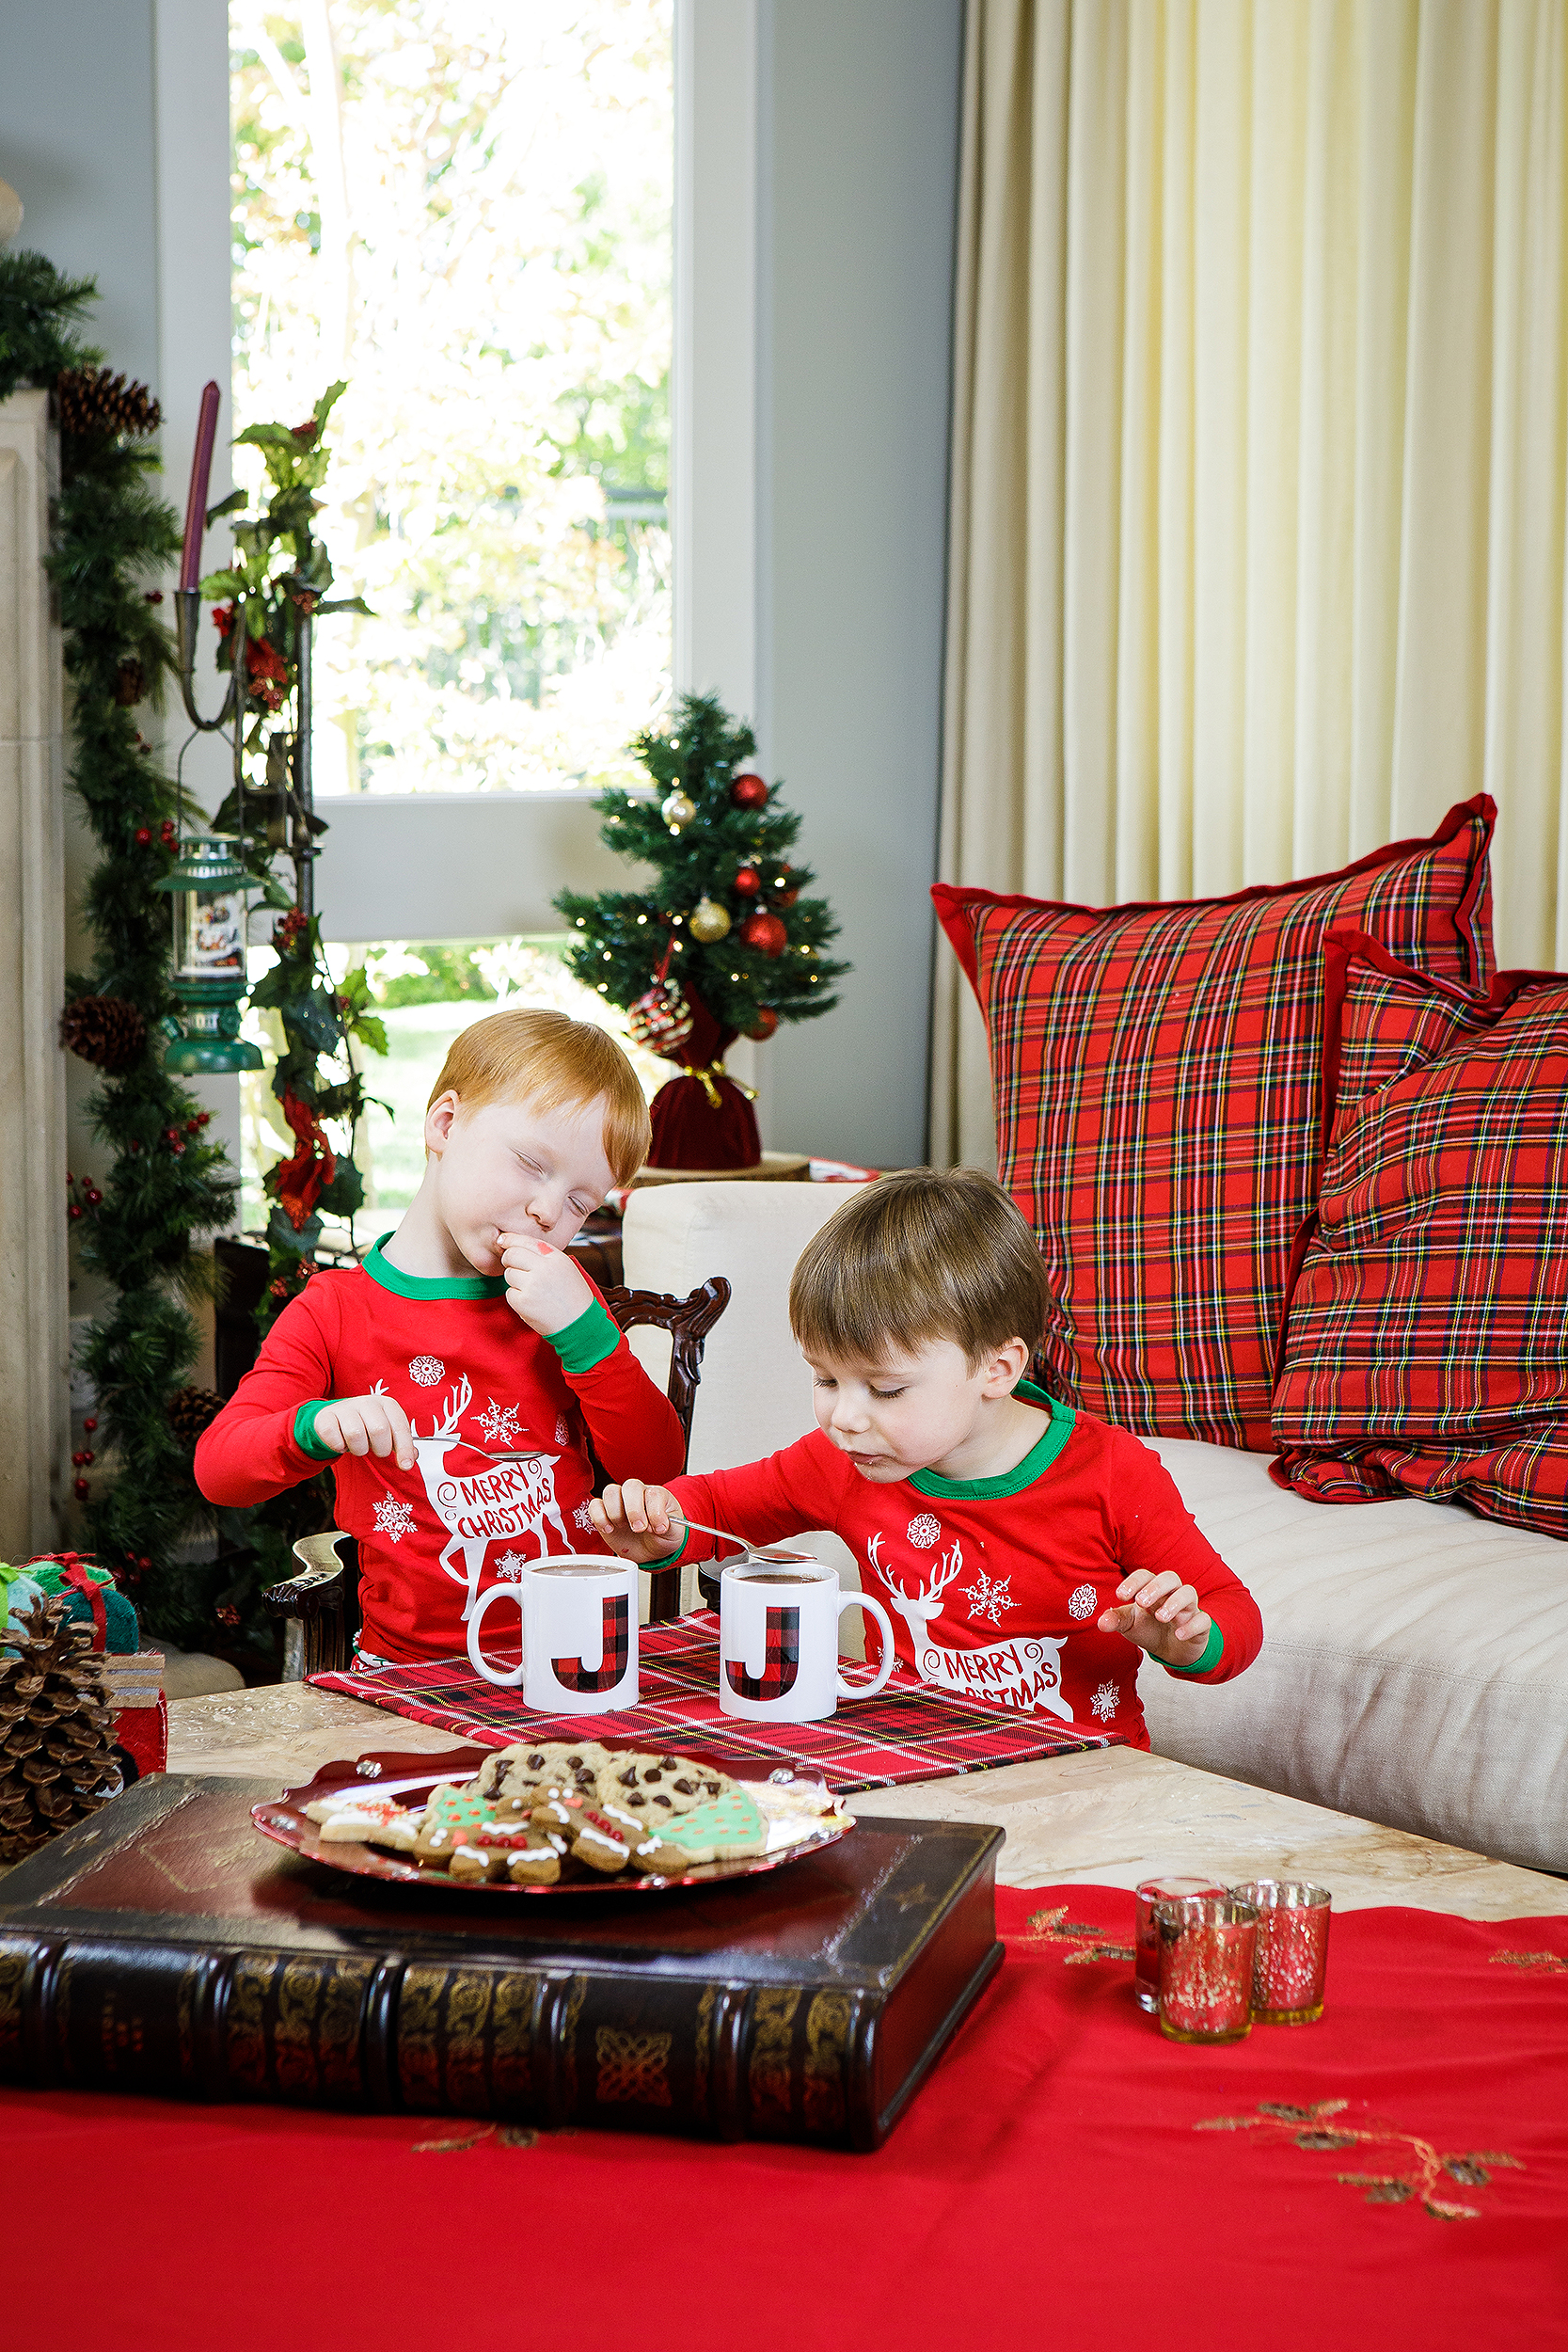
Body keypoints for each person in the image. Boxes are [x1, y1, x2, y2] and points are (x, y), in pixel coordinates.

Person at [591, 1167, 1261, 1745]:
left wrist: (1189, 1642)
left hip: (1085, 1783)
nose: (844, 1417)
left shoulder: (1112, 1473)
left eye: (884, 1388)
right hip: (915, 1763)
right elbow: (711, 1509)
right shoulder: (843, 1459)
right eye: (825, 1379)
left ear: (996, 1368)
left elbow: (1234, 1614)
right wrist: (653, 1524)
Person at [197, 1009, 683, 1666]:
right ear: (445, 1125)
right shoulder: (334, 1312)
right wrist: (318, 1425)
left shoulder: (566, 1303)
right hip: (409, 1674)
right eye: (531, 1164)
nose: (548, 1211)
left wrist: (589, 1336)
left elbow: (657, 1472)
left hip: (579, 1659)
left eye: (579, 1202)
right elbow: (219, 1469)